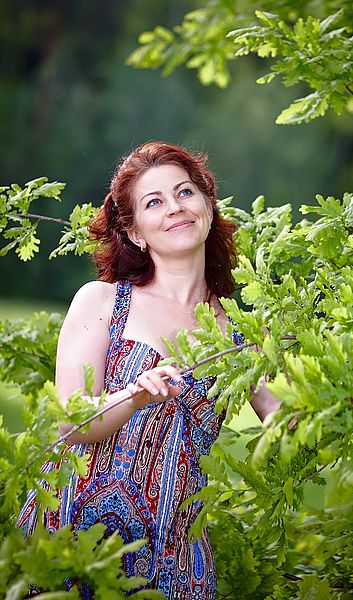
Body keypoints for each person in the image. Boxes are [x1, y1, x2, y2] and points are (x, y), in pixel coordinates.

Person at [16, 140, 280, 600]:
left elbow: (288, 426)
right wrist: (133, 395)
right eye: (154, 202)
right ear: (136, 231)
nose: (175, 208)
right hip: (75, 533)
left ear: (208, 206)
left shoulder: (240, 331)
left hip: (172, 554)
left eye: (185, 192)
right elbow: (68, 423)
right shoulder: (103, 302)